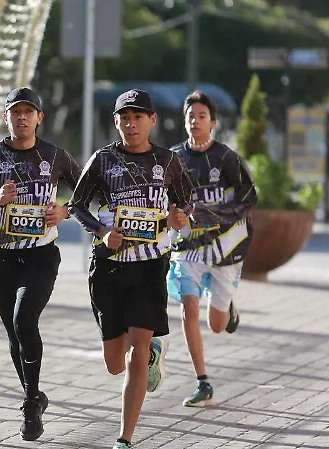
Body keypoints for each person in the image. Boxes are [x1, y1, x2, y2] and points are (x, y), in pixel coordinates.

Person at [67, 89, 192, 449]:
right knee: (114, 362)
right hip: (109, 269)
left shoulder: (168, 161)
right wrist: (102, 231)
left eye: (138, 117)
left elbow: (185, 202)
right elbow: (76, 205)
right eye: (125, 117)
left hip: (151, 267)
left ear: (152, 120)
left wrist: (180, 217)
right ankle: (151, 351)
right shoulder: (102, 160)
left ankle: (125, 438)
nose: (131, 123)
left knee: (136, 352)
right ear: (116, 122)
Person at [0, 87, 81, 441]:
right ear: (6, 117)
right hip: (1, 258)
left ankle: (29, 404)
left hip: (40, 255)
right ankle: (34, 396)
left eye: (28, 112)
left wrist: (65, 211)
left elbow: (89, 191)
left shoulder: (55, 156)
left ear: (39, 117)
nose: (22, 117)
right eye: (16, 112)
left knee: (23, 319)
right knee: (15, 332)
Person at [167, 91, 257, 407]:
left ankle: (227, 307)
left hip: (224, 248)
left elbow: (249, 199)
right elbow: (164, 199)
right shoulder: (173, 159)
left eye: (202, 116)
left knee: (216, 325)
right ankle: (202, 381)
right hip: (188, 247)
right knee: (188, 307)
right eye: (190, 116)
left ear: (213, 123)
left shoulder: (227, 158)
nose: (195, 121)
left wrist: (212, 214)